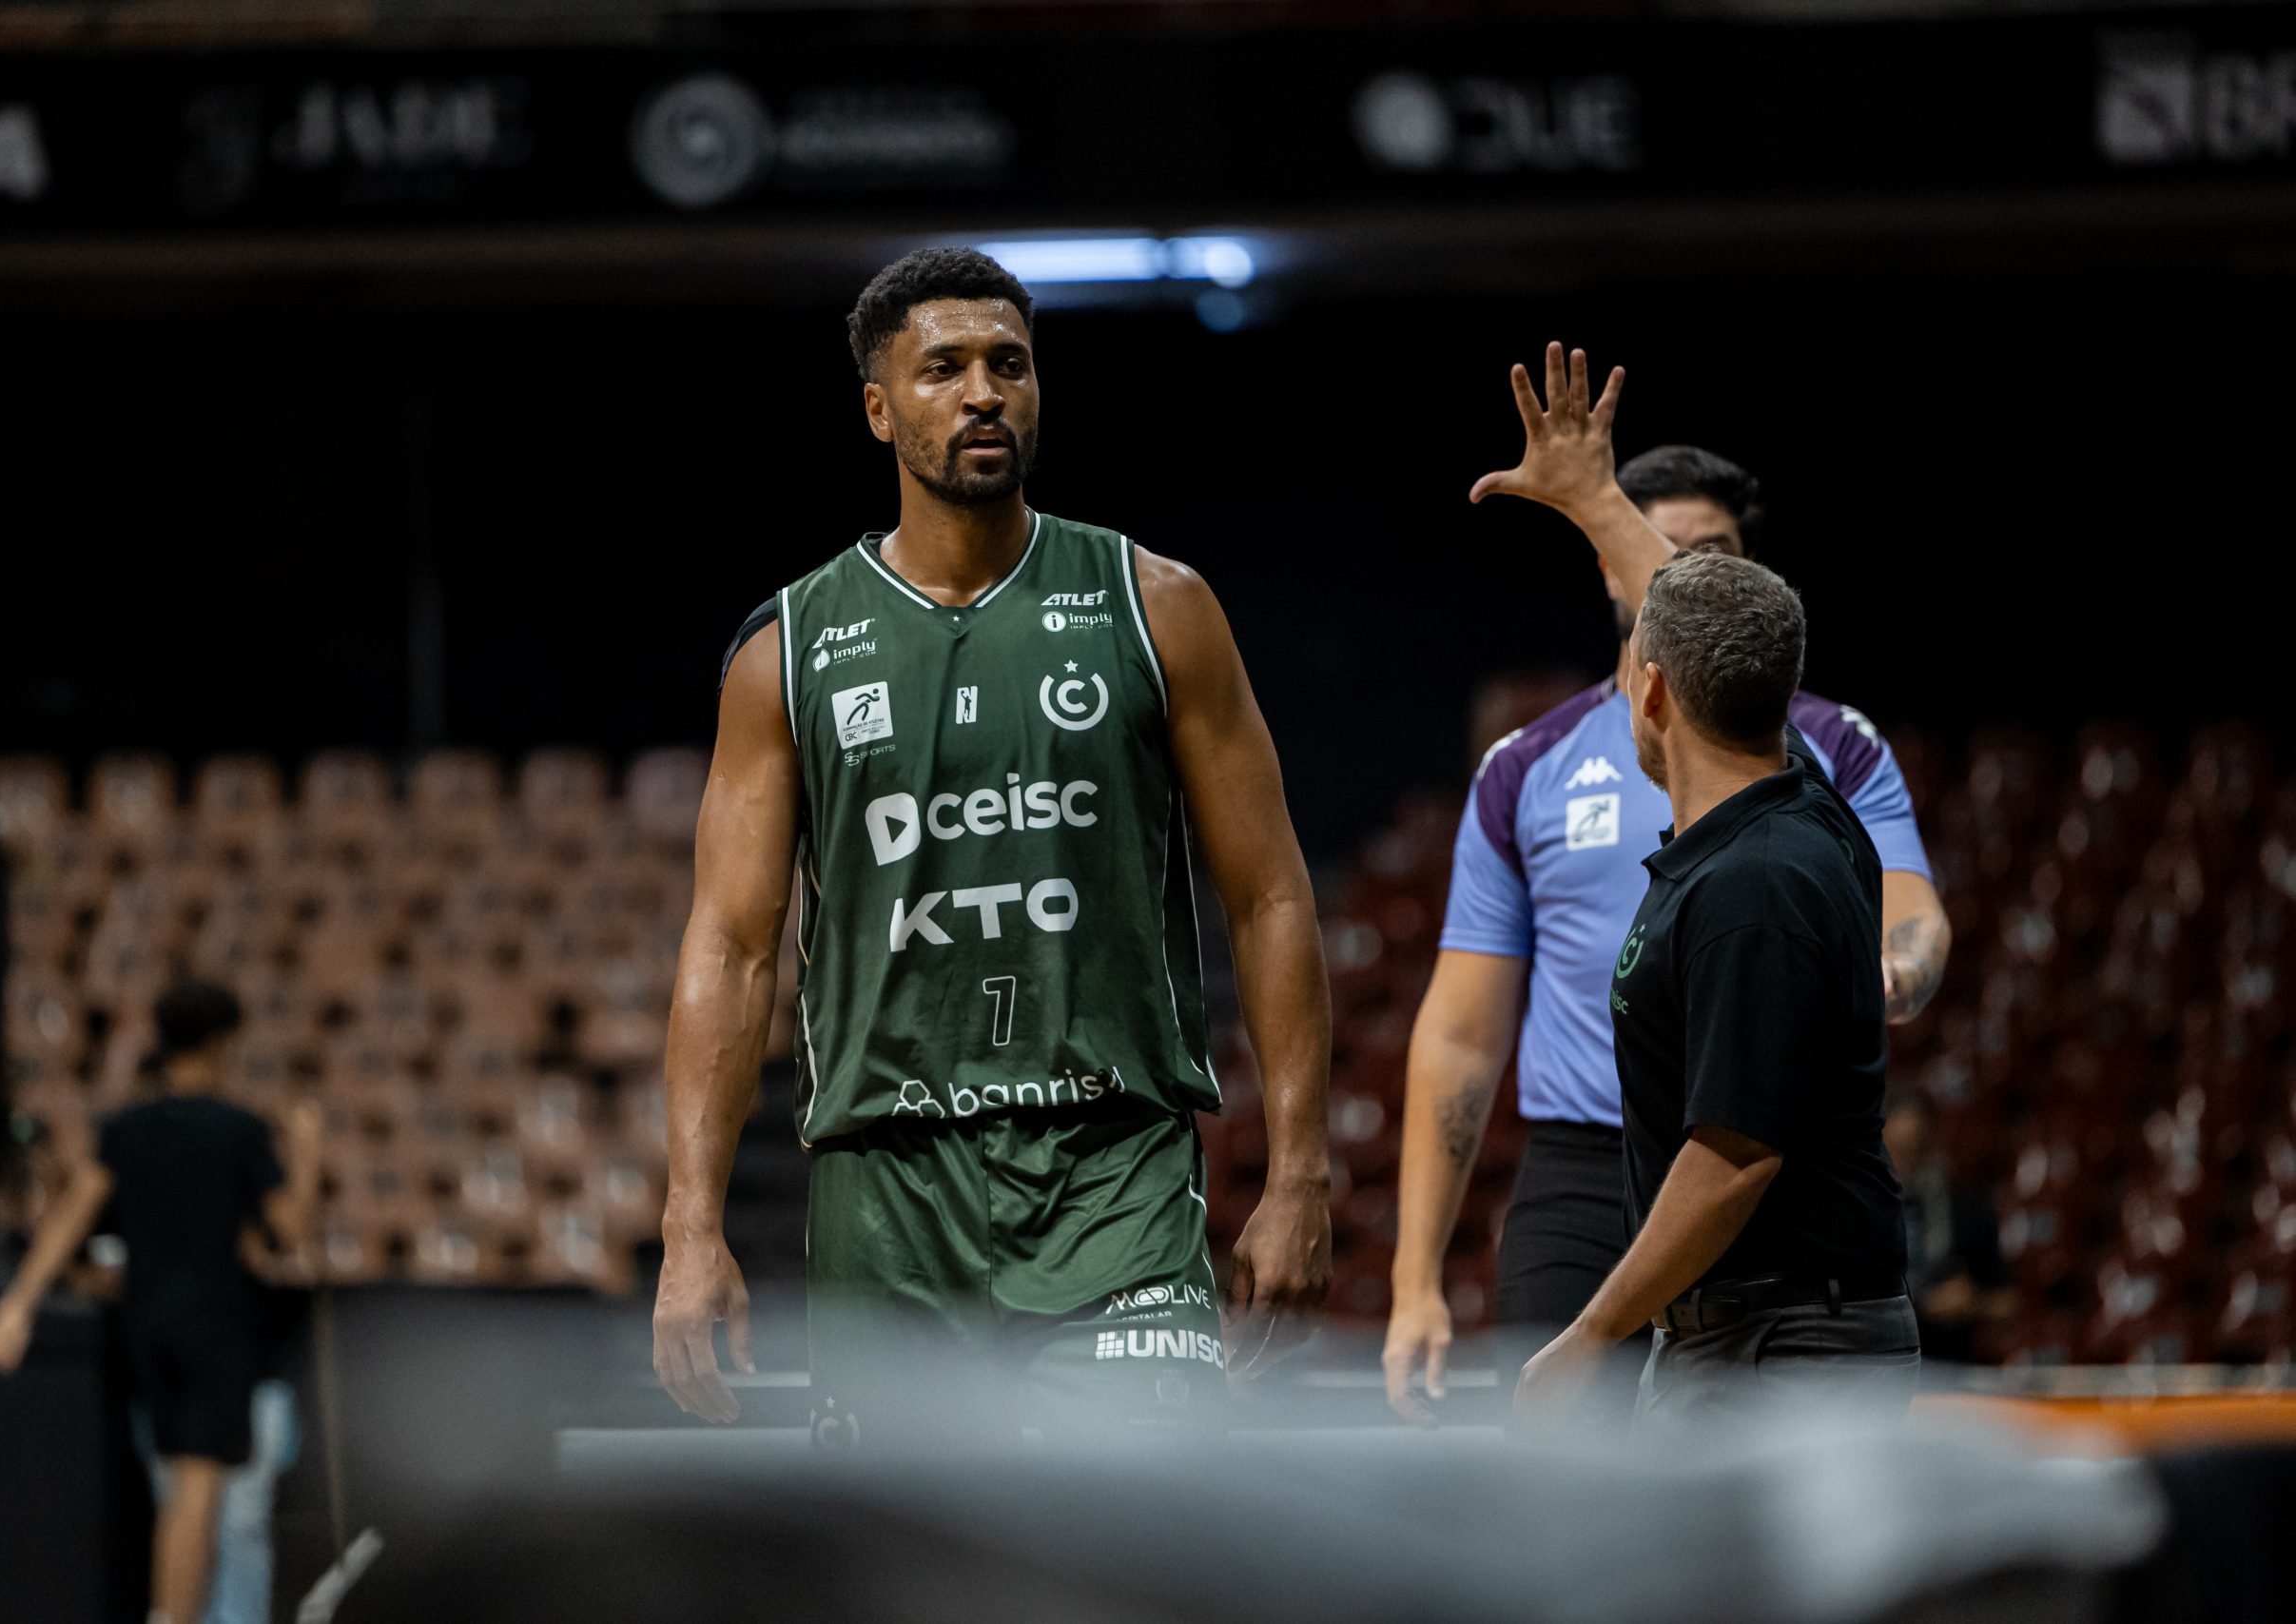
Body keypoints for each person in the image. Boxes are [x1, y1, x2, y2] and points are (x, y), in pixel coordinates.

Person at [650, 248, 1332, 1443]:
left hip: (1112, 1171)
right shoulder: (788, 650)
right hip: (885, 1190)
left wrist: (1300, 1171)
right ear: (878, 409)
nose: (982, 393)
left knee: (1137, 1529)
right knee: (902, 1548)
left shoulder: (1155, 604)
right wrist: (690, 1225)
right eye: (943, 369)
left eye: (1008, 365)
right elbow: (732, 947)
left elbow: (1269, 896)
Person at [1385, 436, 1947, 1421]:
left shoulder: (1765, 852)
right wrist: (1413, 1277)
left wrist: (1593, 1333)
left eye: (1710, 559)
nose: (1683, 569)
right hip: (1610, 1179)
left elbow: (1735, 1154)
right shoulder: (1747, 794)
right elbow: (1461, 1031)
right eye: (1662, 552)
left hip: (1758, 1233)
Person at [0, 981, 321, 1624]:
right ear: (222, 1043)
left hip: (146, 1324)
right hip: (214, 1326)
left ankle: (176, 1612)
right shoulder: (239, 1130)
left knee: (180, 1488)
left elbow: (73, 1214)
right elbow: (290, 1233)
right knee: (198, 1486)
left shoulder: (127, 1128)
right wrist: (305, 1154)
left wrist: (18, 1302)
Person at [1883, 1089, 2014, 1362]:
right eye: (1896, 1152)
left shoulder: (1967, 1211)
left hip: (1947, 1361)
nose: (1904, 1166)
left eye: (1916, 1150)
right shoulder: (1860, 1215)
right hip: (1879, 1361)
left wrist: (1973, 1302)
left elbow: (2009, 1303)